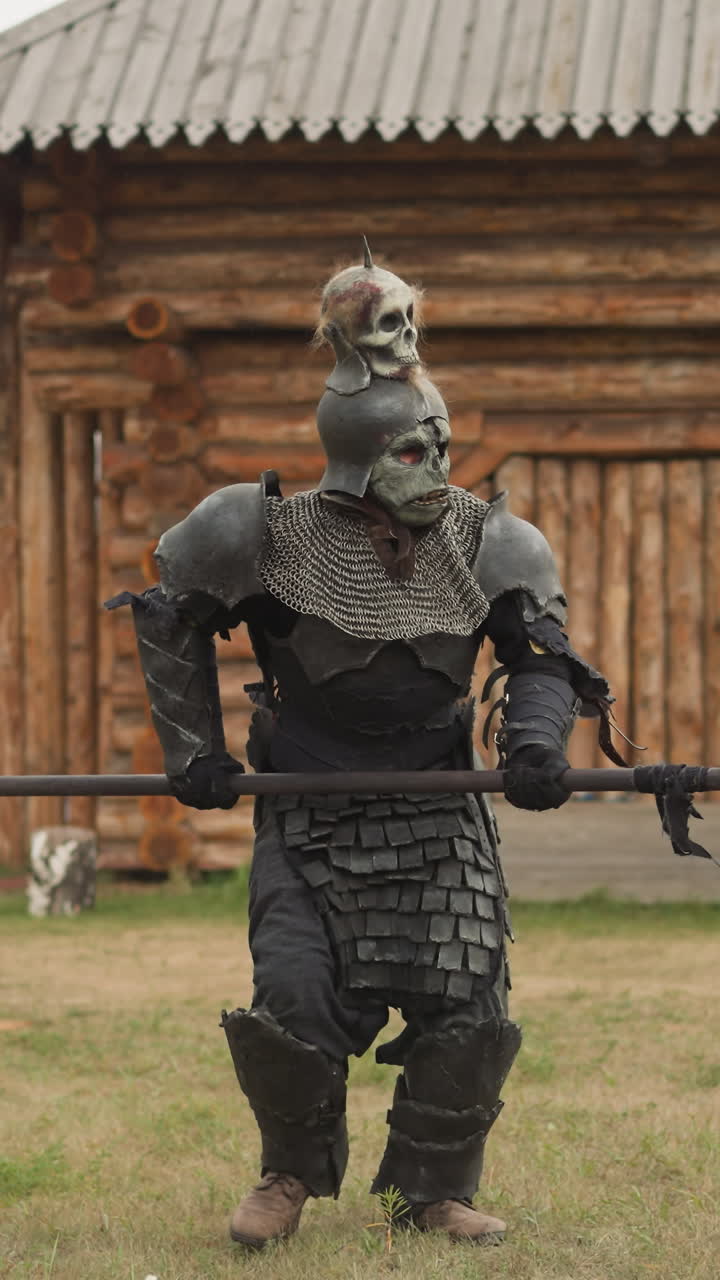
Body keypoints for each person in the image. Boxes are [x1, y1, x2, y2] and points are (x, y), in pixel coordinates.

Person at [115, 248, 623, 1249]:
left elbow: (541, 656)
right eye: (413, 453)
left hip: (439, 809)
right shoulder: (268, 534)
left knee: (467, 999)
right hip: (309, 810)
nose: (439, 466)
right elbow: (170, 618)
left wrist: (532, 741)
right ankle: (287, 1178)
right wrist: (194, 750)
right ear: (358, 459)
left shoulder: (488, 538)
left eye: (441, 446)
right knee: (294, 989)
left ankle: (431, 1192)